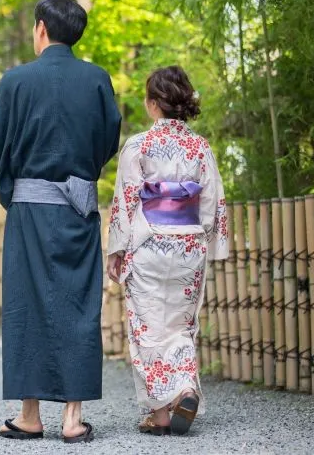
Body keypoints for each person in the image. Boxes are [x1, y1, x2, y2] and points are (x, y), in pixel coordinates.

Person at [0, 0, 122, 443]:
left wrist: (16, 192)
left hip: (29, 208)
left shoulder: (15, 82)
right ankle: (72, 418)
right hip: (77, 205)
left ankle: (29, 415)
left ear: (41, 28)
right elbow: (107, 143)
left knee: (26, 303)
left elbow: (0, 151)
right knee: (79, 304)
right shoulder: (98, 79)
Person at [106, 66, 228, 436]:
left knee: (147, 328)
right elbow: (212, 201)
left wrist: (116, 249)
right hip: (189, 242)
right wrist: (208, 241)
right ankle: (185, 389)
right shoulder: (200, 147)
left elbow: (127, 199)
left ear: (154, 103)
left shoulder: (139, 145)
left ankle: (160, 412)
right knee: (180, 325)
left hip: (148, 243)